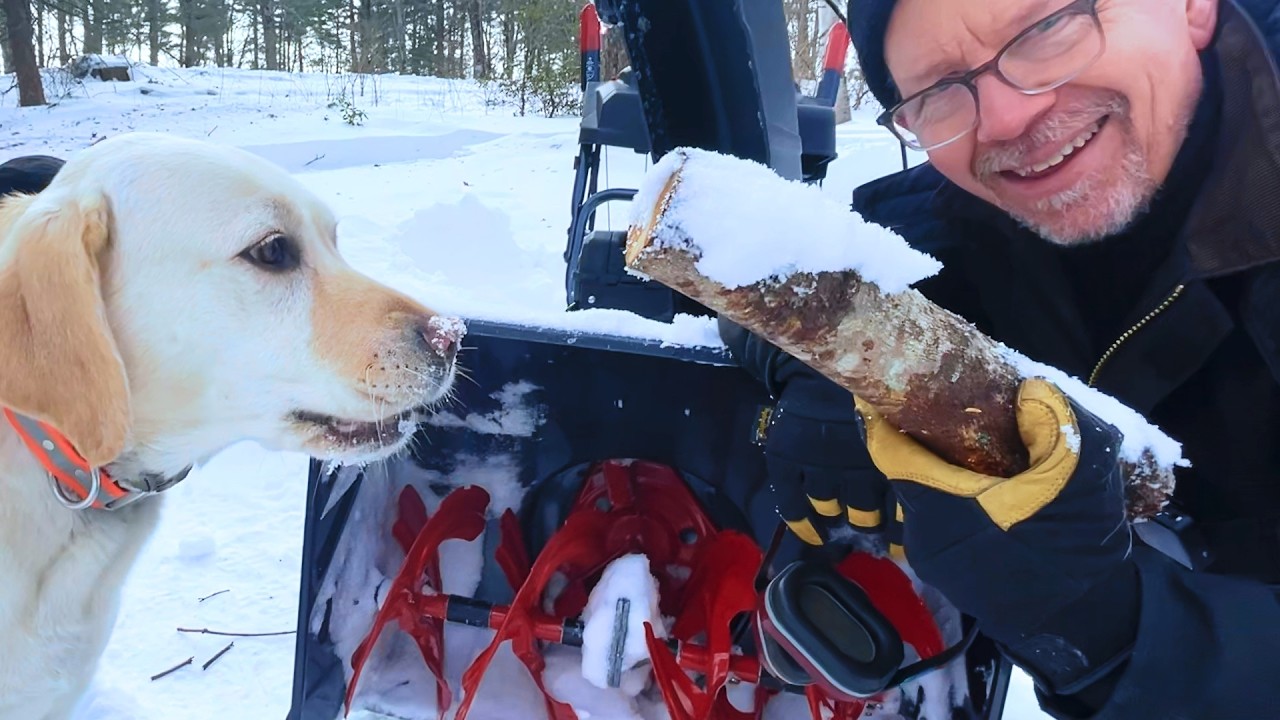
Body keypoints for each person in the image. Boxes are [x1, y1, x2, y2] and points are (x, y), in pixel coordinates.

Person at [726, 0, 1280, 717]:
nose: (1007, 119)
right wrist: (829, 368)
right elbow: (760, 286)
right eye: (938, 92)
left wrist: (1118, 638)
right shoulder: (948, 222)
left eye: (1046, 28)